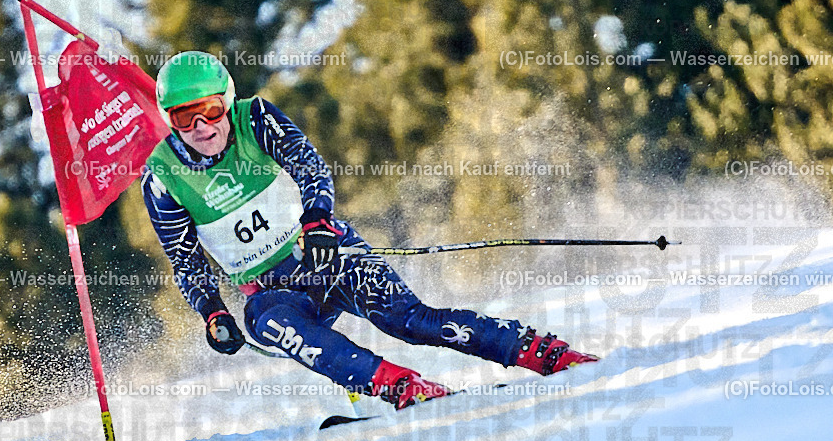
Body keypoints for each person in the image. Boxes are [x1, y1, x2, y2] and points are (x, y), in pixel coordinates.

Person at [142, 51, 597, 410]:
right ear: (170, 120)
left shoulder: (255, 118)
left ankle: (539, 351)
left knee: (411, 321)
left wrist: (317, 220)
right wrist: (212, 312)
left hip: (326, 253)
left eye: (209, 110)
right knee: (263, 321)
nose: (202, 127)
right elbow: (184, 258)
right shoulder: (163, 177)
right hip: (274, 290)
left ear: (227, 99)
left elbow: (308, 165)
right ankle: (399, 386)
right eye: (185, 117)